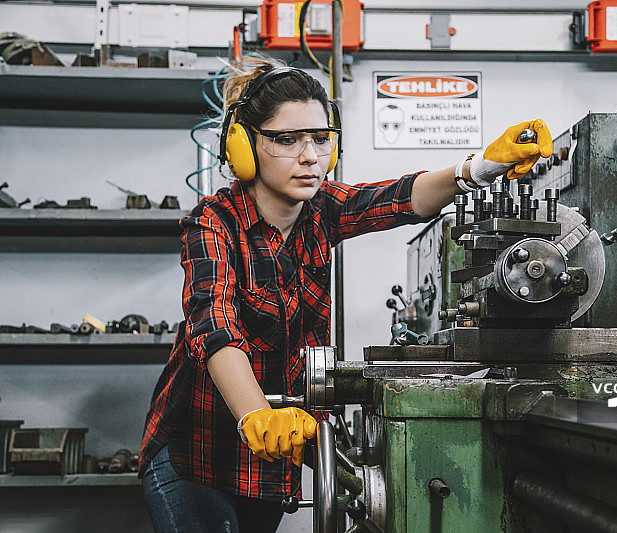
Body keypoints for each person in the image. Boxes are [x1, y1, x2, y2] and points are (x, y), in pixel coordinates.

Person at [139, 56, 552, 533]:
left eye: (319, 138)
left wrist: (481, 167)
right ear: (243, 147)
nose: (310, 155)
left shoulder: (322, 212)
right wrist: (256, 414)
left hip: (270, 461)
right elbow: (214, 322)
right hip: (195, 454)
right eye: (287, 140)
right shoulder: (213, 222)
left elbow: (401, 199)